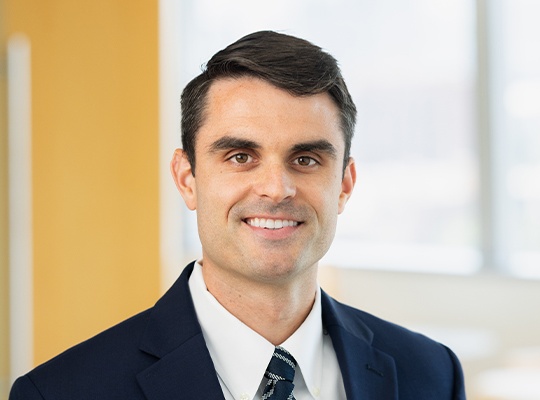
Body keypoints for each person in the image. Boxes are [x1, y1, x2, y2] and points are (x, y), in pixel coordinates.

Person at [10, 30, 466, 400]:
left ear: (344, 185)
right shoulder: (61, 392)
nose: (277, 188)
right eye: (241, 157)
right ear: (187, 179)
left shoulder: (431, 375)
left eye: (306, 159)